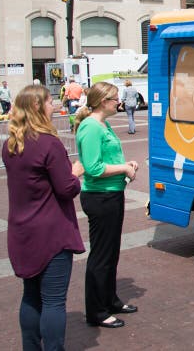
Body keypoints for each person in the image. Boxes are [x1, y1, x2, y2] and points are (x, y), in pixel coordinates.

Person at [2, 85, 85, 350]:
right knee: (53, 301)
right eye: (50, 102)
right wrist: (75, 173)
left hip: (21, 232)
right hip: (51, 234)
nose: (54, 106)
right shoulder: (48, 143)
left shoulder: (11, 144)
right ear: (38, 107)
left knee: (30, 295)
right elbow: (66, 188)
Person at [74, 82, 139, 329]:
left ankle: (110, 299)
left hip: (111, 193)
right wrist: (123, 168)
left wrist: (126, 164)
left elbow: (107, 159)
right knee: (101, 254)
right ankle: (97, 311)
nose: (118, 103)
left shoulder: (103, 124)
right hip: (100, 197)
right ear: (103, 102)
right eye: (114, 99)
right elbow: (93, 168)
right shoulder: (91, 127)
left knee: (111, 251)